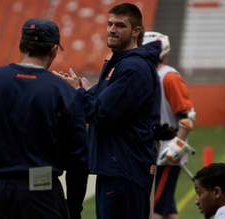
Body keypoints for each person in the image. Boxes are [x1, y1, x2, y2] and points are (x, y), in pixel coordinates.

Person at [0, 18, 89, 219]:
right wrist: (74, 209)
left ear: (21, 45)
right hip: (43, 192)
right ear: (53, 49)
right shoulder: (64, 92)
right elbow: (78, 160)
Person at [53, 3, 158, 219]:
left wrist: (77, 92)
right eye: (110, 24)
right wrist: (84, 90)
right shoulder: (119, 63)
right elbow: (102, 102)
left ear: (136, 31)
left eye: (120, 25)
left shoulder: (133, 68)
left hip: (124, 171)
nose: (111, 30)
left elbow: (103, 113)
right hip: (114, 168)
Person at [142, 32, 196, 219]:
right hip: (153, 152)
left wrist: (176, 146)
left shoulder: (169, 76)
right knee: (168, 210)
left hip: (166, 154)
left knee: (154, 208)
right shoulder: (145, 74)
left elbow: (188, 115)